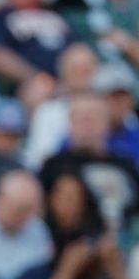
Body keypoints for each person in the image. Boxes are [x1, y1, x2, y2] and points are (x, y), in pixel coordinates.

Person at [39, 93, 139, 233]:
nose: (88, 125)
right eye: (82, 118)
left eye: (93, 118)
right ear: (70, 123)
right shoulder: (53, 166)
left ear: (106, 122)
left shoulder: (126, 164)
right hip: (71, 244)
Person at [27, 171, 130, 279]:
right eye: (67, 198)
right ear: (51, 199)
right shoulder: (39, 235)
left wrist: (115, 266)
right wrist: (68, 269)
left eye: (77, 197)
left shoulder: (95, 233)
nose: (72, 203)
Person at [23, 43, 99, 170]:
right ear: (64, 73)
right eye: (75, 69)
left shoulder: (111, 111)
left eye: (86, 70)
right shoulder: (48, 112)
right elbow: (39, 159)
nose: (81, 75)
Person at [93, 62, 139, 165]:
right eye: (108, 98)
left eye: (121, 97)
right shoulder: (80, 136)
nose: (115, 104)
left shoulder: (136, 134)